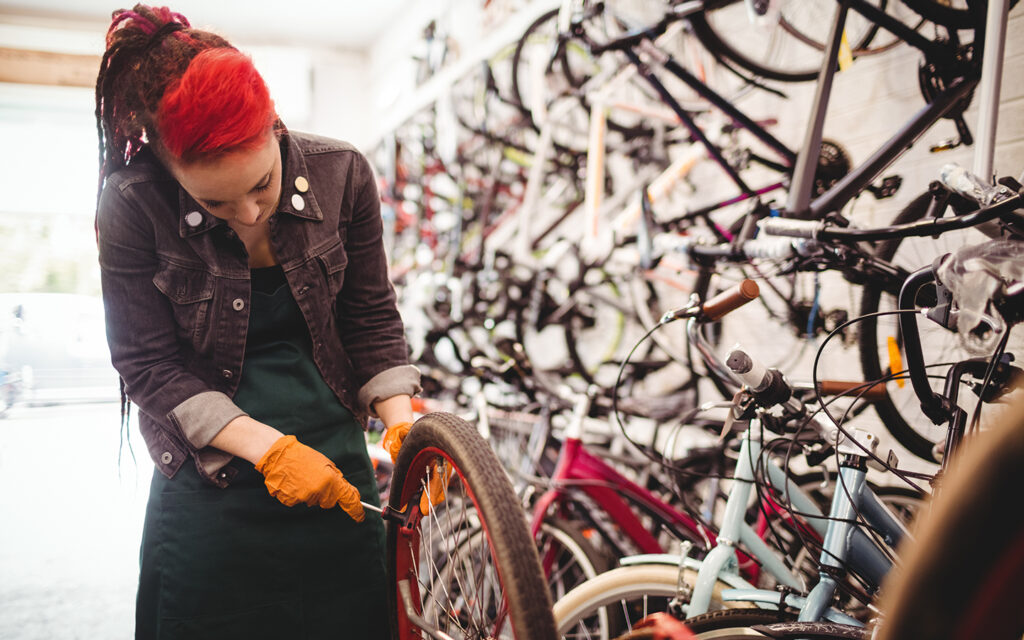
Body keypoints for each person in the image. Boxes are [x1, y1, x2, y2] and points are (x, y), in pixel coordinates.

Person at [94, 5, 421, 637]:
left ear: (275, 126)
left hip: (335, 468)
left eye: (262, 186)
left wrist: (401, 422)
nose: (246, 214)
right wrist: (268, 450)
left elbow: (370, 316)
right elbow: (147, 363)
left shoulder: (343, 173)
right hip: (210, 478)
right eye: (214, 200)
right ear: (167, 166)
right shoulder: (133, 205)